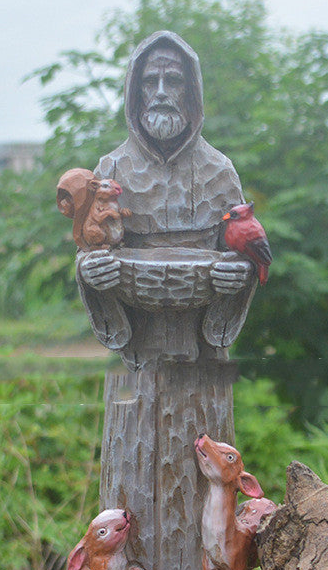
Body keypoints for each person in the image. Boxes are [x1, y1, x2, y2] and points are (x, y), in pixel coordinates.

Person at [76, 31, 256, 369]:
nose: (160, 92)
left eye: (172, 80)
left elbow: (243, 252)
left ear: (191, 92)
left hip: (202, 340)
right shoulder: (111, 168)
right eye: (149, 81)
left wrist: (239, 274)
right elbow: (88, 249)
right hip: (139, 338)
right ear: (135, 92)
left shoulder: (220, 170)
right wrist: (90, 271)